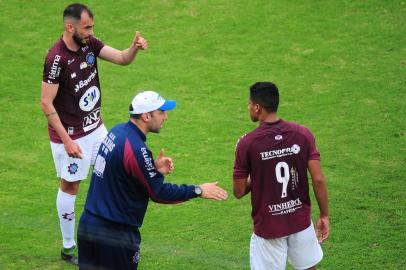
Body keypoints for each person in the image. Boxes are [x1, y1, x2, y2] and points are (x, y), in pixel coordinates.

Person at [40, 3, 148, 265]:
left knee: (112, 171)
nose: (90, 31)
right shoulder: (56, 59)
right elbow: (46, 103)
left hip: (96, 127)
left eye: (92, 27)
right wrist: (67, 141)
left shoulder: (89, 44)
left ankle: (108, 229)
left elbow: (122, 58)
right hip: (72, 135)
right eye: (86, 27)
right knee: (71, 186)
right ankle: (68, 247)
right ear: (70, 27)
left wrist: (133, 48)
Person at [77, 90, 228, 269]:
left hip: (88, 223)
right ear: (146, 116)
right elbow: (158, 193)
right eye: (161, 112)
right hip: (114, 235)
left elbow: (119, 172)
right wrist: (198, 190)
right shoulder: (136, 149)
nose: (166, 117)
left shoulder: (117, 131)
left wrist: (153, 169)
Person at [233, 82, 329, 270]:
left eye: (249, 104)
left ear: (257, 107)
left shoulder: (247, 143)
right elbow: (318, 178)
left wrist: (259, 174)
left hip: (269, 227)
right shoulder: (303, 134)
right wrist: (324, 215)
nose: (248, 107)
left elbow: (238, 191)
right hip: (300, 221)